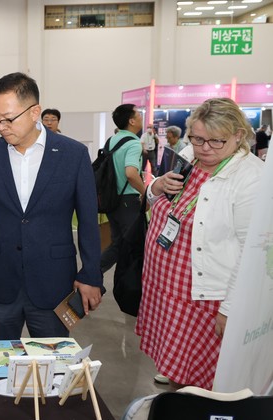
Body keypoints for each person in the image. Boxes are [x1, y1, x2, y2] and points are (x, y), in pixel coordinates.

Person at [136, 98, 263, 390]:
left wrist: (229, 309)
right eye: (197, 138)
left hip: (204, 299)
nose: (204, 148)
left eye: (216, 141)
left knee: (204, 380)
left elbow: (251, 253)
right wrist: (156, 186)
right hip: (168, 288)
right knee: (177, 365)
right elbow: (158, 201)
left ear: (238, 135)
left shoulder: (250, 178)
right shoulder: (189, 156)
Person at [0, 72, 102, 340]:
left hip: (53, 280)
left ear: (34, 112)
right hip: (0, 277)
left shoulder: (73, 154)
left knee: (53, 358)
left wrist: (91, 274)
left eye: (8, 119)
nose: (1, 127)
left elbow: (88, 221)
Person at [99, 104, 146, 274]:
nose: (141, 116)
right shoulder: (133, 143)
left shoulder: (112, 140)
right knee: (133, 245)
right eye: (138, 114)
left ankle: (93, 274)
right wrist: (146, 193)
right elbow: (131, 173)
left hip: (112, 199)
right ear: (131, 121)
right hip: (128, 201)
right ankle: (93, 275)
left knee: (118, 243)